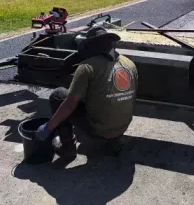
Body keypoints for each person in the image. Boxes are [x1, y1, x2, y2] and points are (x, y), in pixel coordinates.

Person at [36, 26, 138, 160]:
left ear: (90, 46)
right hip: (123, 127)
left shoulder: (87, 67)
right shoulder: (129, 64)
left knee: (59, 95)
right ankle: (115, 141)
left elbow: (70, 104)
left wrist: (48, 127)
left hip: (99, 131)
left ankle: (67, 148)